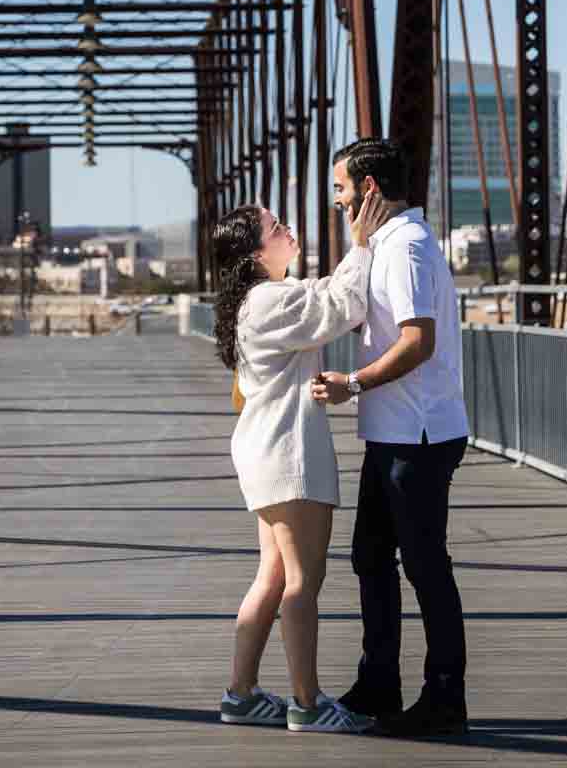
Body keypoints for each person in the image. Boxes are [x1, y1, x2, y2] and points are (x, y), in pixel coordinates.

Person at [211, 195, 397, 734]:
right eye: (275, 227)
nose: (286, 229)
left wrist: (353, 254)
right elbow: (340, 307)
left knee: (272, 577)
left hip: (266, 452)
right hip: (286, 454)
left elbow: (323, 297)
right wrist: (360, 245)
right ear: (253, 255)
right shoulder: (268, 301)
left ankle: (241, 694)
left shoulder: (259, 301)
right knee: (302, 580)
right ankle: (307, 703)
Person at [310, 138, 471, 738]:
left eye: (341, 189)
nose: (337, 200)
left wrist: (353, 382)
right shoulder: (386, 244)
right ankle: (380, 682)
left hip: (419, 435)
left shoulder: (406, 248)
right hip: (396, 432)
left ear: (368, 189)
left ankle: (444, 701)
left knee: (425, 566)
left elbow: (417, 340)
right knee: (371, 558)